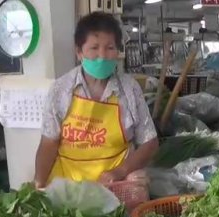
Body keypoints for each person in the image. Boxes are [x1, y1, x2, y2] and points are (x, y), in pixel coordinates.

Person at [34, 12, 159, 188]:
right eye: (94, 48)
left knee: (139, 179)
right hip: (68, 185)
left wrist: (120, 172)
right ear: (79, 52)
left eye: (110, 48)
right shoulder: (61, 89)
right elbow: (49, 143)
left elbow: (150, 142)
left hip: (114, 185)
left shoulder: (129, 89)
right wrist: (38, 184)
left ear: (117, 51)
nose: (102, 56)